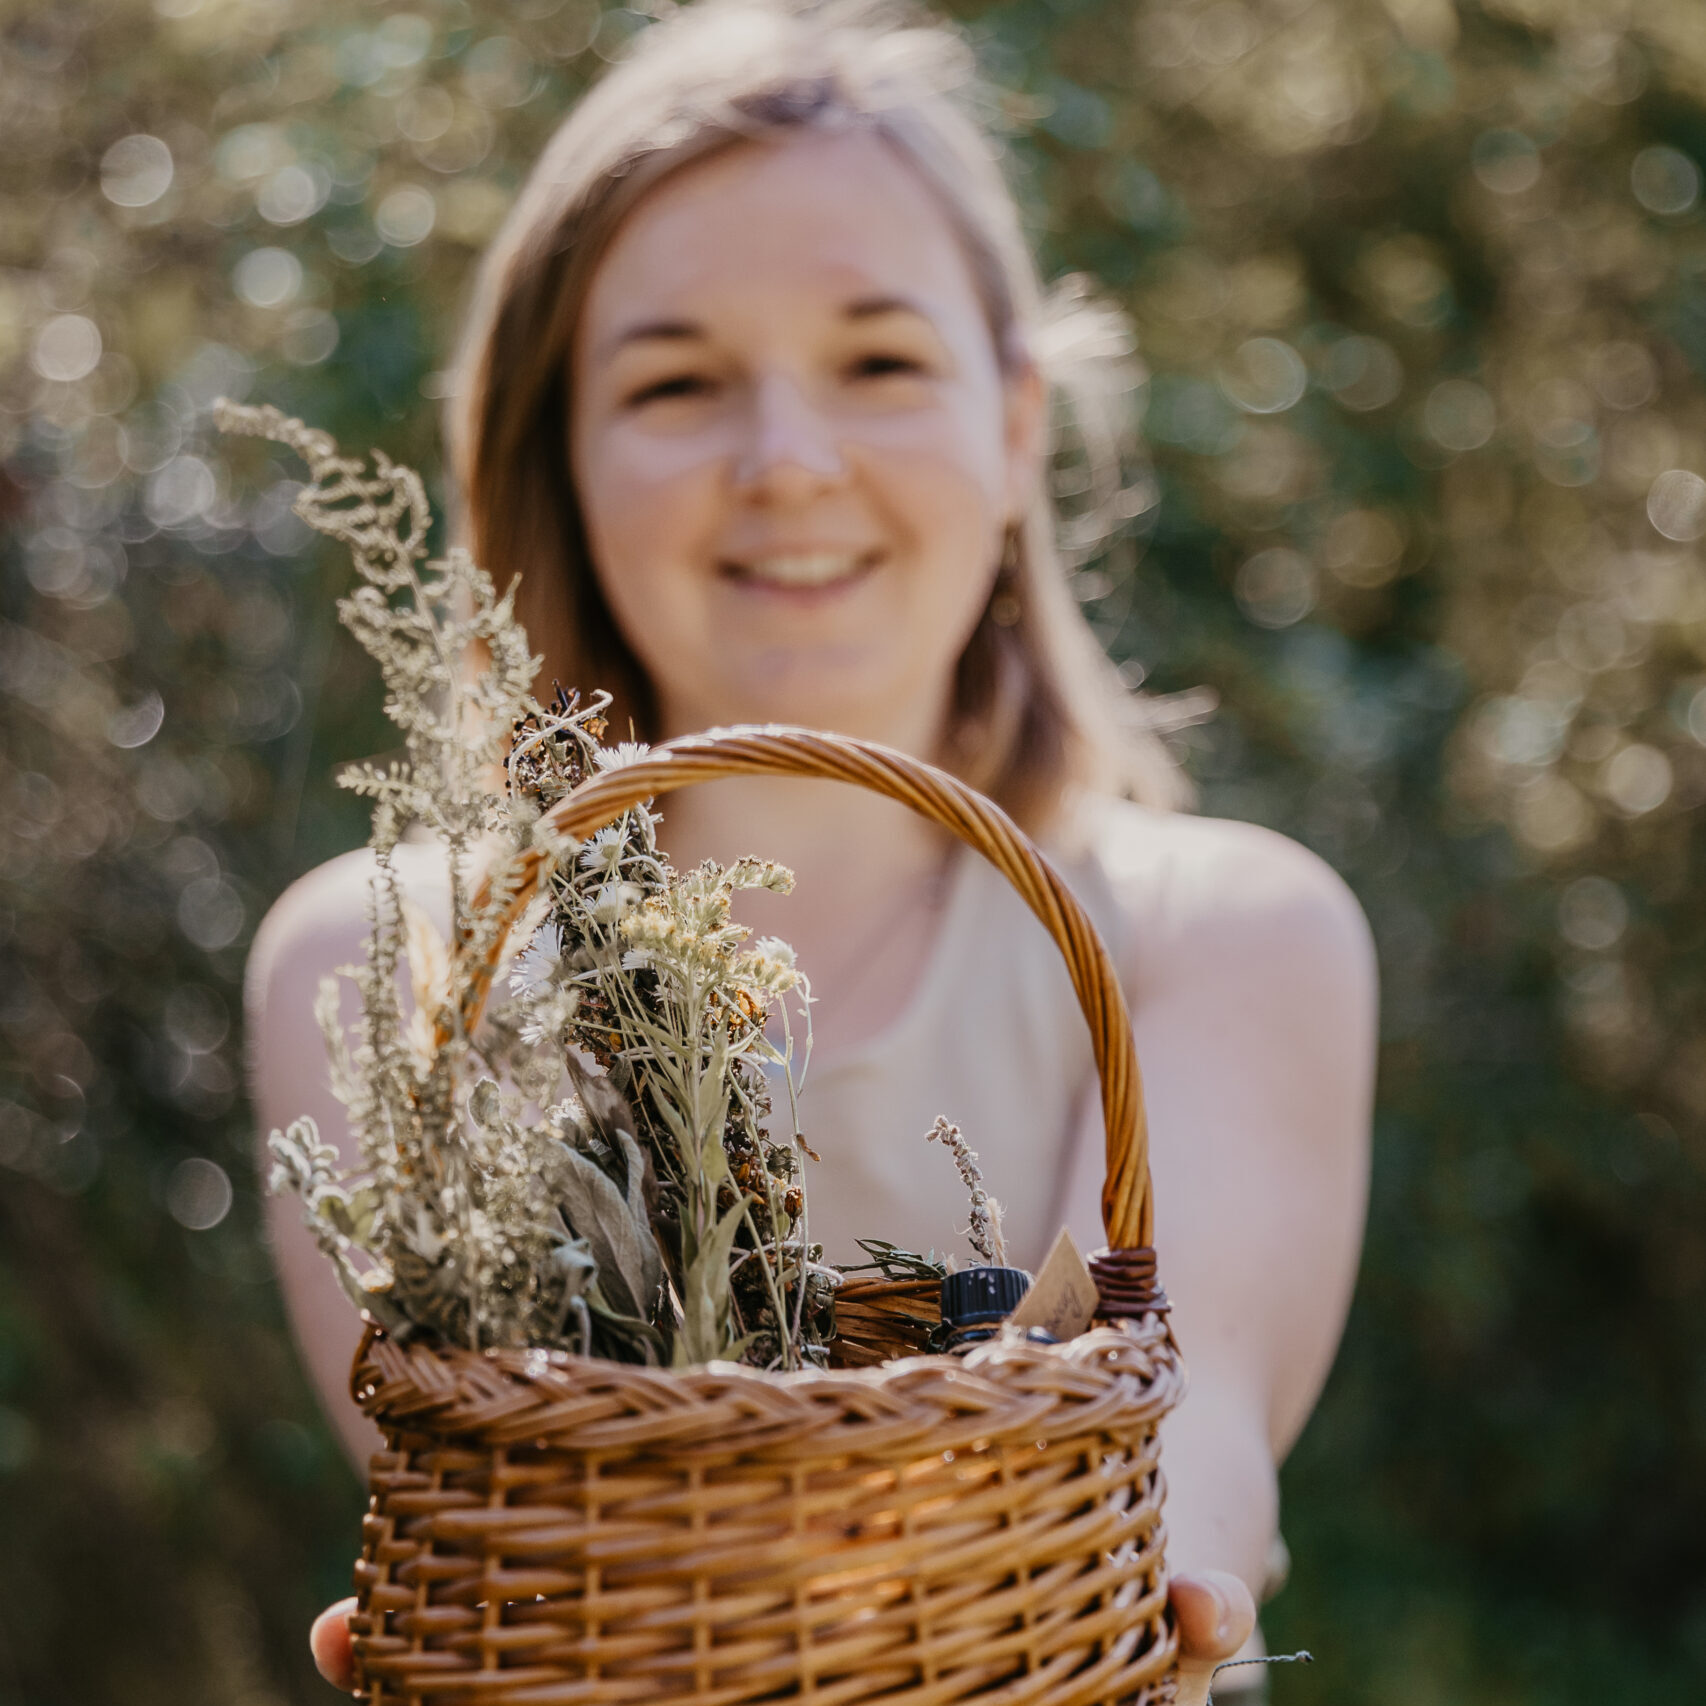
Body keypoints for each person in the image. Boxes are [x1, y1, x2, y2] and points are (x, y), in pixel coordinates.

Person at [245, 3, 1376, 1701]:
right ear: (561, 443)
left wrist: (1157, 1549)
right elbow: (516, 1526)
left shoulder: (1222, 937)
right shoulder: (377, 966)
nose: (786, 461)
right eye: (678, 380)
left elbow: (1178, 1432)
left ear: (1012, 425)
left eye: (878, 360)